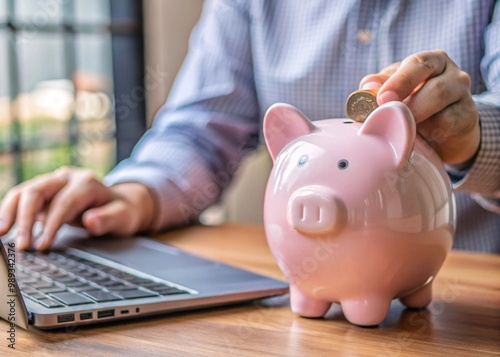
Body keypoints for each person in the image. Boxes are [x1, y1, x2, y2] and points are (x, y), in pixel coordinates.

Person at [1, 0, 499, 252]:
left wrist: (472, 139)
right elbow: (200, 130)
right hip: (301, 288)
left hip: (472, 287)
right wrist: (135, 194)